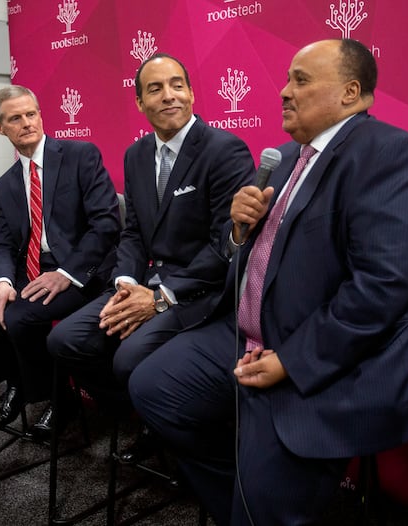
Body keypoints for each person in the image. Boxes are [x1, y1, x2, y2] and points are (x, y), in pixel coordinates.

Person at [128, 39, 408, 525]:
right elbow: (248, 254)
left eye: (300, 80)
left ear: (350, 92)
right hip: (249, 331)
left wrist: (291, 360)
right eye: (286, 79)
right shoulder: (284, 159)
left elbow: (384, 285)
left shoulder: (389, 153)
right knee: (153, 387)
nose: (284, 91)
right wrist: (238, 230)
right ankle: (244, 494)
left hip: (324, 346)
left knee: (266, 485)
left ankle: (259, 498)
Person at [47, 54, 255, 455]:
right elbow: (134, 233)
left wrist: (162, 296)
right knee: (65, 340)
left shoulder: (224, 150)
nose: (169, 96)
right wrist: (125, 282)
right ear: (140, 102)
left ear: (192, 93)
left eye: (177, 85)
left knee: (128, 358)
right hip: (143, 283)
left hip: (200, 291)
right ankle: (145, 414)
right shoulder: (136, 154)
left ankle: (163, 422)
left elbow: (226, 246)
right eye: (155, 89)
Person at [0, 86, 120, 441]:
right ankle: (17, 381)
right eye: (15, 118)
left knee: (20, 316)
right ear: (0, 128)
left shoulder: (80, 155)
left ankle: (59, 398)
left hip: (80, 271)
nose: (26, 123)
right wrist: (1, 282)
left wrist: (66, 274)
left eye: (31, 114)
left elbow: (106, 224)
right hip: (28, 269)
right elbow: (0, 243)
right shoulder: (4, 185)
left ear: (41, 116)